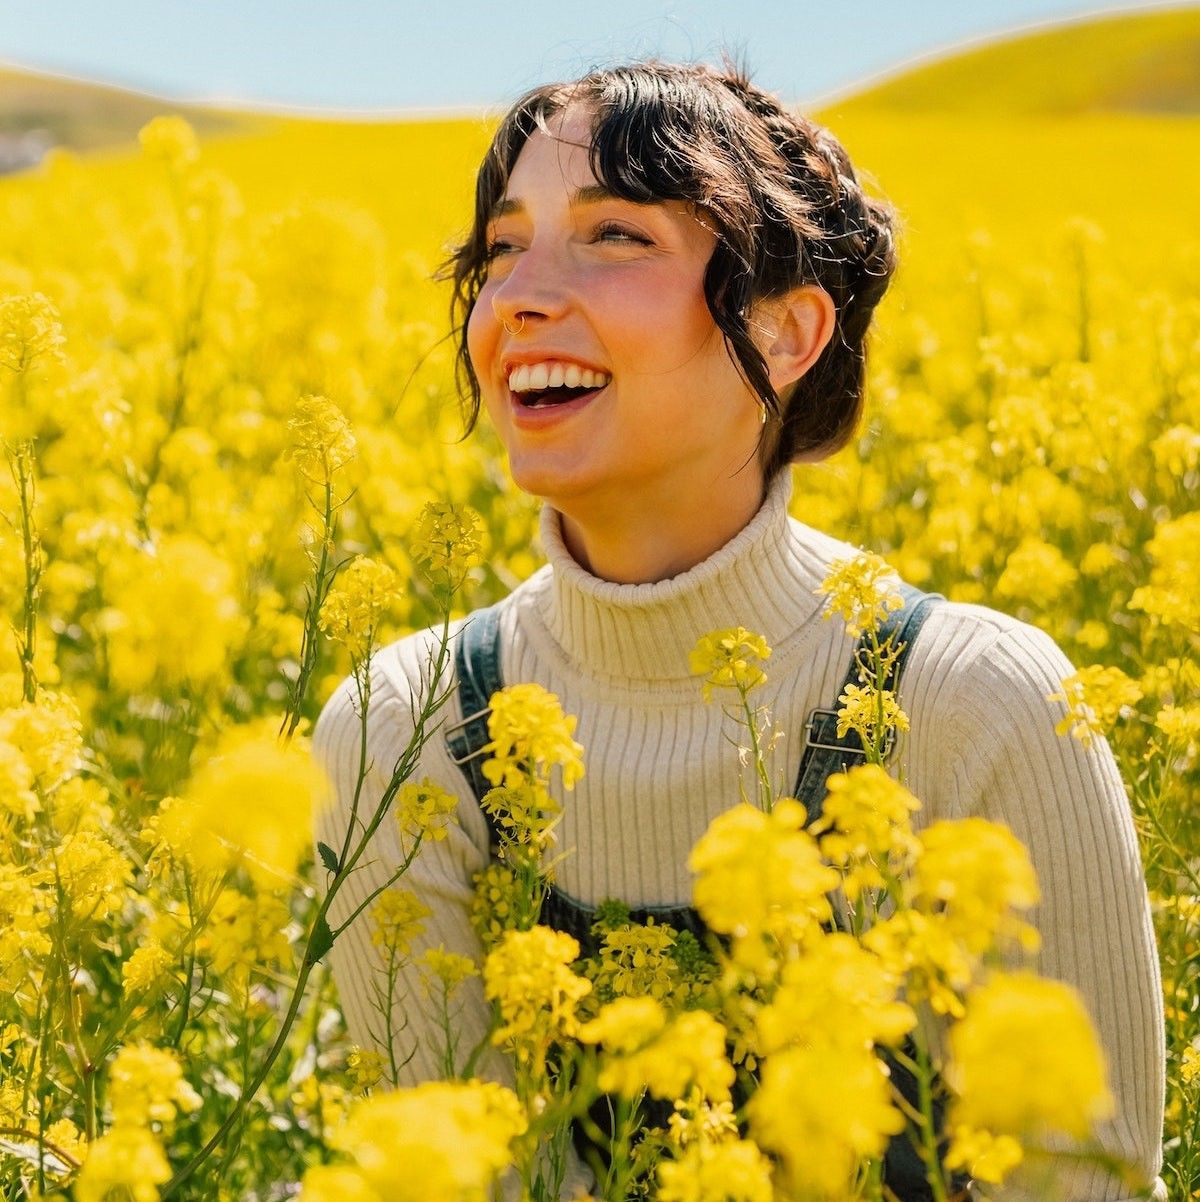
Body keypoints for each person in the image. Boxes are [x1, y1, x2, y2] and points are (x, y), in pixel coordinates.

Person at [313, 61, 1165, 1201]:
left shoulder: (978, 707)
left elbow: (1084, 1180)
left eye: (615, 235)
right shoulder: (400, 732)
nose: (518, 297)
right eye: (501, 249)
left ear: (784, 332)